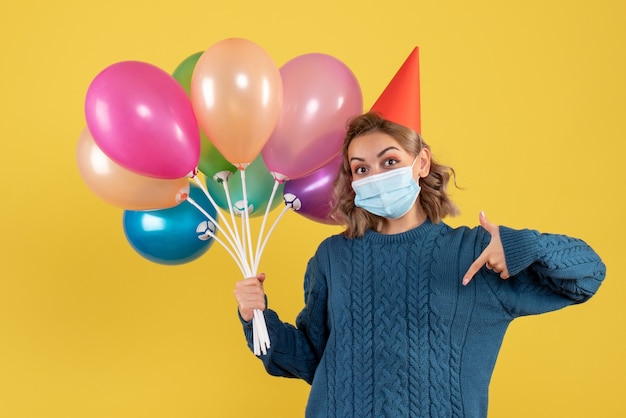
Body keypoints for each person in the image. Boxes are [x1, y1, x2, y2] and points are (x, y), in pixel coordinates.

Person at [234, 111, 606, 418]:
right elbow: (312, 360)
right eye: (361, 169)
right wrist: (257, 319)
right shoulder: (332, 257)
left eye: (390, 161)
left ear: (421, 163)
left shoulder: (478, 252)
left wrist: (522, 247)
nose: (376, 176)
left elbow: (589, 274)